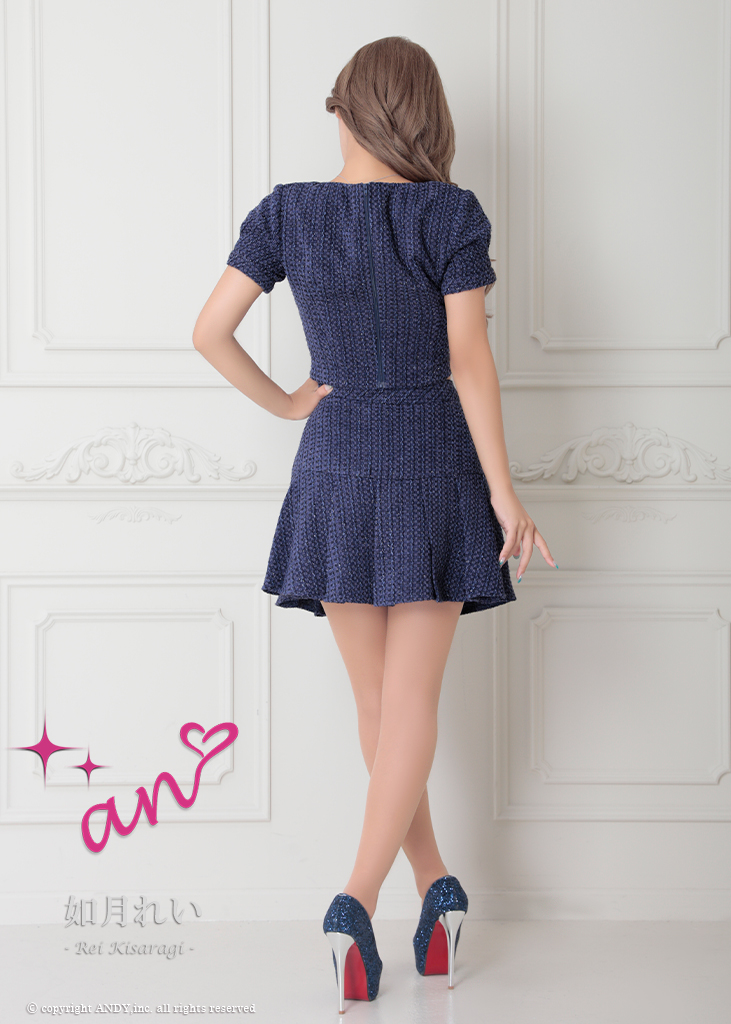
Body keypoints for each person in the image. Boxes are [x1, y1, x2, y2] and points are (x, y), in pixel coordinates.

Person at [193, 34, 556, 1014]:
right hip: (433, 465)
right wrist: (506, 493)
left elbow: (208, 331)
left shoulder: (288, 212)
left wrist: (289, 404)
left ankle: (432, 889)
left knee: (376, 704)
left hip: (336, 466)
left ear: (340, 108)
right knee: (411, 702)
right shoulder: (450, 212)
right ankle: (360, 899)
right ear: (427, 116)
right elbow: (469, 361)